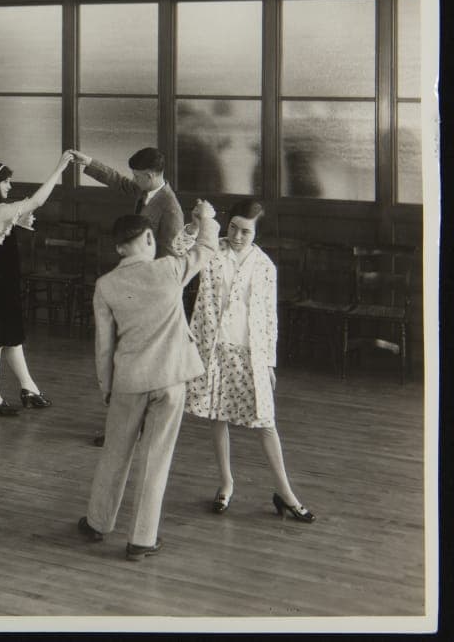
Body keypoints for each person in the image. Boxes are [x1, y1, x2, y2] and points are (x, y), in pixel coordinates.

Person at [77, 202, 218, 561]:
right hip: (171, 378)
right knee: (156, 458)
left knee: (115, 453)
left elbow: (103, 345)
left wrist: (105, 385)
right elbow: (206, 248)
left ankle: (97, 523)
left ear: (119, 247)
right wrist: (206, 218)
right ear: (150, 238)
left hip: (128, 380)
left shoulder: (106, 285)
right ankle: (141, 539)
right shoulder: (169, 269)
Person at [177, 199, 316, 523]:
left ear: (257, 233)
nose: (238, 236)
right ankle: (225, 483)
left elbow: (269, 318)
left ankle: (285, 493)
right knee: (217, 415)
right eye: (234, 228)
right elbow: (178, 250)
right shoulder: (210, 249)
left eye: (246, 231)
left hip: (250, 352)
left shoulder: (265, 267)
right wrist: (198, 223)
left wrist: (269, 363)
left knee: (265, 423)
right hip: (213, 348)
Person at [68, 146, 186, 446]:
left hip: (150, 296)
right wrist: (90, 163)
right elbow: (120, 182)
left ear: (150, 175)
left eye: (137, 176)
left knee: (139, 365)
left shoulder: (170, 209)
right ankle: (127, 427)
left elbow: (170, 259)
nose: (133, 180)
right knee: (128, 363)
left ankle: (133, 430)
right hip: (132, 289)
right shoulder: (147, 190)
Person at [0, 151, 75, 415]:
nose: (10, 186)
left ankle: (29, 389)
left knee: (12, 341)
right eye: (5, 182)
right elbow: (37, 201)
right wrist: (60, 167)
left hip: (0, 287)